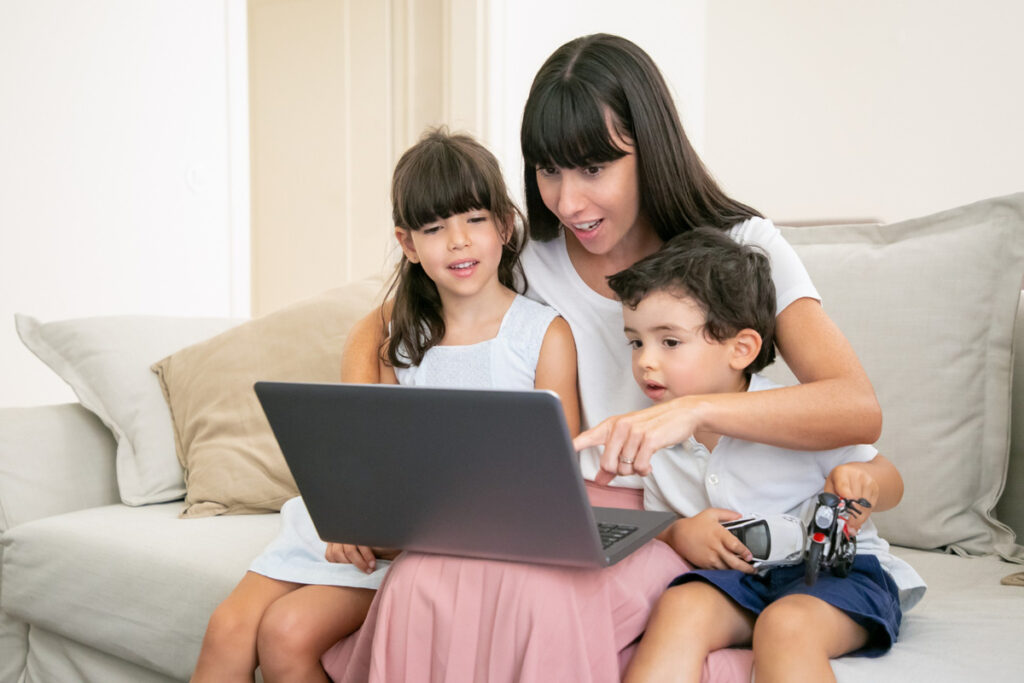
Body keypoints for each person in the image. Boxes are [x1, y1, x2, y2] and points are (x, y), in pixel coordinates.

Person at [325, 33, 882, 681]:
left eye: (594, 168)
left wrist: (693, 411)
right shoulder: (525, 259)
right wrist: (357, 469)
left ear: (650, 150)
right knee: (424, 579)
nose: (567, 202)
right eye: (548, 169)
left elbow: (857, 408)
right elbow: (389, 317)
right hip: (570, 511)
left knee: (546, 601)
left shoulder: (742, 248)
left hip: (680, 517)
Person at [191, 128, 578, 683]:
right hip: (360, 527)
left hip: (430, 544)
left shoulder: (542, 334)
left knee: (287, 631)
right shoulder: (397, 332)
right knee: (227, 627)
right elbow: (374, 453)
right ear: (408, 244)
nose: (459, 242)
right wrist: (352, 511)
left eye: (474, 220)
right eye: (434, 228)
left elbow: (555, 476)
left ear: (505, 225)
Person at [604, 228, 925, 682]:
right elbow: (652, 522)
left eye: (669, 342)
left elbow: (886, 474)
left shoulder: (794, 415)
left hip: (838, 574)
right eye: (636, 342)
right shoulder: (653, 433)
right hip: (741, 579)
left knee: (786, 625)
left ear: (741, 349)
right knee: (680, 605)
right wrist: (679, 534)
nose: (645, 362)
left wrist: (865, 482)